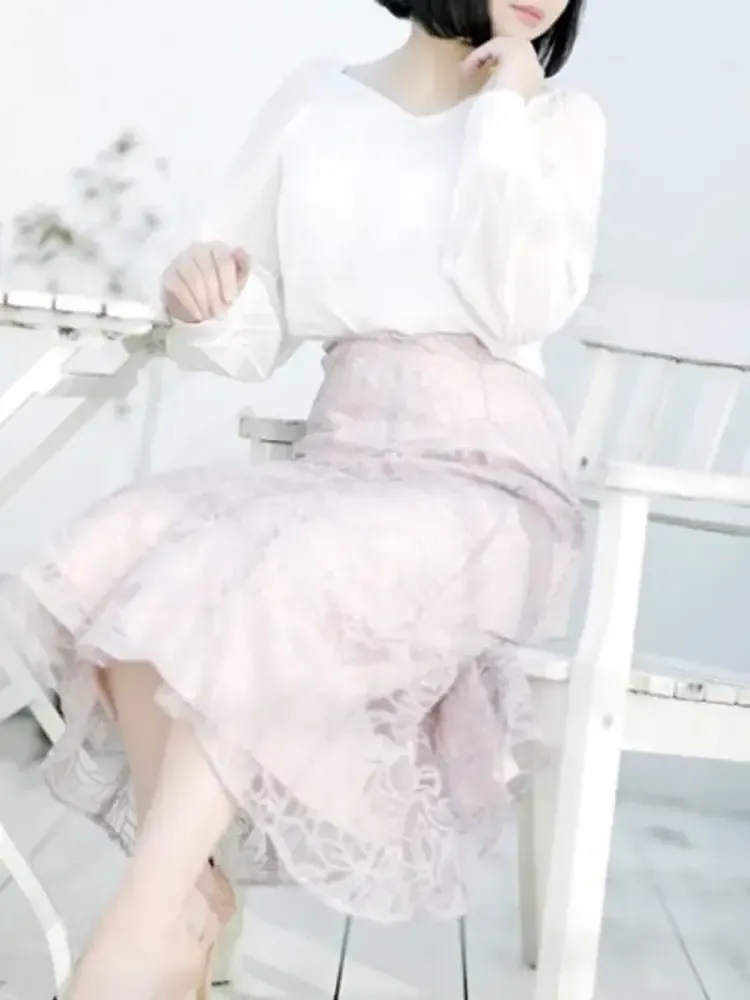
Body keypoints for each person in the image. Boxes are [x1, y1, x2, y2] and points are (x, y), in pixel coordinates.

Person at [1, 0, 605, 996]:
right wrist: (204, 294)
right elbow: (248, 334)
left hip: (489, 482)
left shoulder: (559, 121)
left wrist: (505, 110)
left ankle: (137, 935)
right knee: (135, 538)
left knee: (266, 571)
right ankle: (183, 901)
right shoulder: (315, 104)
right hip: (343, 461)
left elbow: (522, 304)